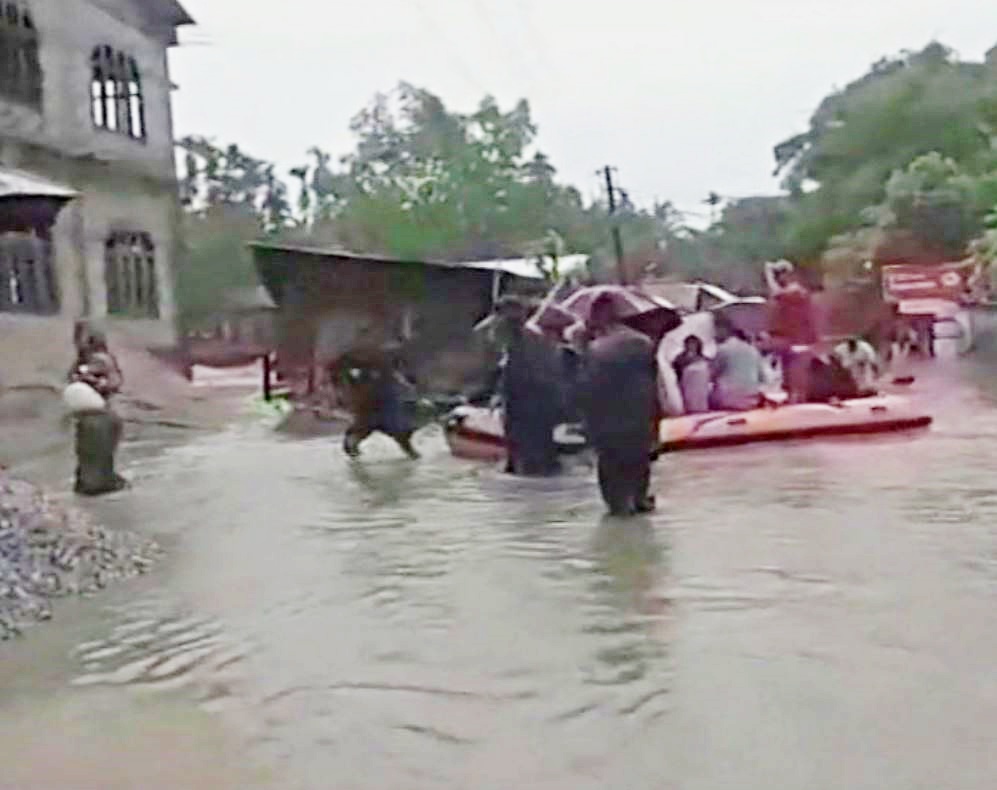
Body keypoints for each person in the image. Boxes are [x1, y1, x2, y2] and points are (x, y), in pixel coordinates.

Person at [578, 293, 659, 516]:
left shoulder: (596, 350)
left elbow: (586, 390)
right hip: (639, 421)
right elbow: (654, 387)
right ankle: (639, 504)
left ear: (599, 316)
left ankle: (621, 515)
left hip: (609, 424)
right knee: (639, 477)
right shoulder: (644, 343)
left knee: (615, 494)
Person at [494, 295, 564, 476]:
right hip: (525, 404)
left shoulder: (530, 340)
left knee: (531, 450)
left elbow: (538, 374)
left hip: (532, 404)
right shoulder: (518, 340)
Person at [333, 341, 420, 460]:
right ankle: (356, 462)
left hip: (386, 406)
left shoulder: (386, 362)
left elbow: (404, 377)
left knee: (402, 437)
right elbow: (340, 378)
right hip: (367, 409)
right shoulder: (349, 362)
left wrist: (407, 383)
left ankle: (413, 457)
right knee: (352, 442)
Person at [69, 326, 127, 496]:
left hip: (100, 418)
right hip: (92, 418)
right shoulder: (82, 362)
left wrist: (93, 381)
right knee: (93, 459)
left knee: (95, 459)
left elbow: (114, 382)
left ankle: (96, 485)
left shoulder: (101, 360)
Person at [765, 260, 818, 402]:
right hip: (791, 342)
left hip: (800, 343)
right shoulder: (791, 294)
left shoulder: (796, 291)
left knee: (797, 382)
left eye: (779, 274)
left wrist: (768, 274)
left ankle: (798, 408)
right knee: (790, 382)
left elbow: (777, 294)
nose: (778, 278)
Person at [709, 319, 766, 411]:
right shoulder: (753, 351)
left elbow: (711, 374)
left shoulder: (723, 349)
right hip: (750, 398)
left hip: (726, 398)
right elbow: (763, 377)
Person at [672, 335, 710, 414]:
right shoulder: (679, 358)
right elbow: (676, 370)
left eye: (693, 344)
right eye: (689, 343)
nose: (691, 346)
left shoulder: (704, 358)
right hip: (687, 386)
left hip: (701, 388)